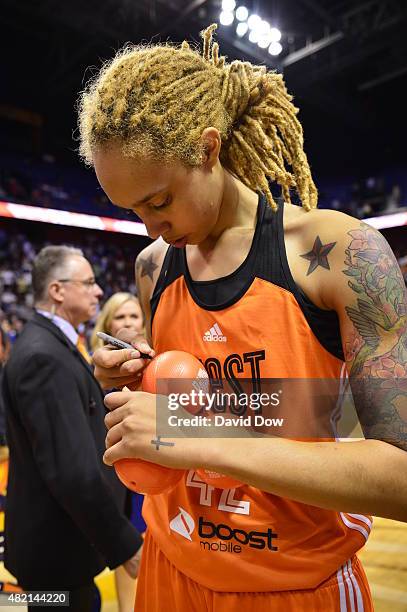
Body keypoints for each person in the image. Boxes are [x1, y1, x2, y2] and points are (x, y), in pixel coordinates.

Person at [78, 24, 406, 611]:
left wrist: (195, 433)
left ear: (208, 148)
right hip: (170, 561)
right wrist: (140, 382)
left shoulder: (339, 252)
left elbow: (402, 476)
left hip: (294, 582)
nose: (151, 227)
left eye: (158, 201)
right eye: (132, 211)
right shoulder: (155, 266)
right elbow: (191, 399)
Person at [2, 246, 143, 611]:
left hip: (56, 549)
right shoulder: (43, 356)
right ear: (58, 291)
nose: (98, 291)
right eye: (89, 283)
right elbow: (71, 470)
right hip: (55, 553)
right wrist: (124, 544)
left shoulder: (49, 345)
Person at [90, 292, 145, 612]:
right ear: (108, 323)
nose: (127, 323)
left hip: (150, 474)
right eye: (120, 317)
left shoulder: (154, 358)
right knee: (129, 557)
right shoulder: (95, 370)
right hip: (115, 476)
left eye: (133, 316)